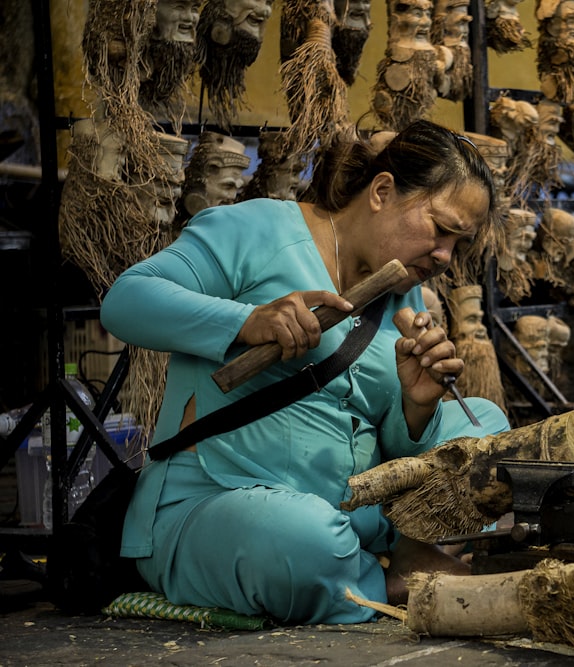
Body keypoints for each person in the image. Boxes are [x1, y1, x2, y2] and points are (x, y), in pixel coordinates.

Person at [100, 120, 509, 626]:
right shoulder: (257, 230)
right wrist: (247, 321)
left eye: (459, 243)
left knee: (487, 429)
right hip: (221, 508)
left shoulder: (406, 296)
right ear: (382, 192)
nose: (446, 255)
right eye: (440, 230)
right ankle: (390, 577)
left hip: (354, 516)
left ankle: (384, 556)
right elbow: (127, 301)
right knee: (304, 540)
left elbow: (396, 450)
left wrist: (417, 405)